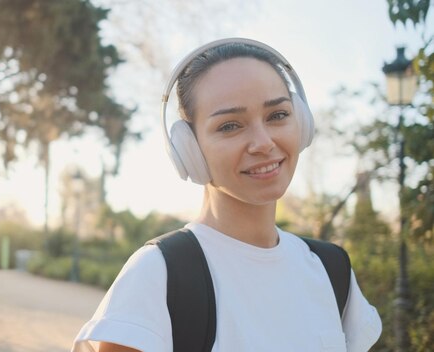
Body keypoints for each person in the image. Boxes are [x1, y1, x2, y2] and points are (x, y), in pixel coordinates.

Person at [72, 38, 382, 352]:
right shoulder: (158, 274)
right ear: (188, 149)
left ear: (301, 122)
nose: (263, 142)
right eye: (230, 125)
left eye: (277, 115)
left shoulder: (330, 269)